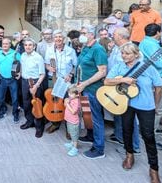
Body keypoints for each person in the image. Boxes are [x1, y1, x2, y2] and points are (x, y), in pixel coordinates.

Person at [104, 43, 162, 183]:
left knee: (148, 136)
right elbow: (106, 81)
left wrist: (155, 105)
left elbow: (159, 88)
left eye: (127, 53)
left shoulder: (148, 67)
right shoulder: (119, 66)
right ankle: (129, 155)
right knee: (127, 131)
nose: (124, 56)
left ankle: (154, 169)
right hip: (126, 104)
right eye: (123, 53)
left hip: (146, 106)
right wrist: (124, 80)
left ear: (136, 55)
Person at [106, 28, 141, 154]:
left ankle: (135, 146)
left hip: (126, 87)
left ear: (120, 36)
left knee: (130, 118)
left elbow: (128, 71)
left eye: (114, 34)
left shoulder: (129, 49)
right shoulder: (116, 47)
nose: (112, 36)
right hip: (115, 85)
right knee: (118, 112)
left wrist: (120, 80)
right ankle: (119, 136)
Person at [76, 25, 107, 159]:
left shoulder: (98, 49)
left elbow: (102, 71)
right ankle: (90, 136)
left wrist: (85, 83)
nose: (81, 35)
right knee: (87, 116)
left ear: (91, 35)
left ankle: (99, 148)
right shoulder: (85, 47)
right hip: (83, 87)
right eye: (81, 32)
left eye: (84, 33)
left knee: (96, 118)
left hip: (93, 89)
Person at [139, 24, 162, 151]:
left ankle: (147, 133)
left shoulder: (145, 42)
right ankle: (149, 137)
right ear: (158, 32)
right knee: (158, 109)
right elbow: (159, 62)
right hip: (159, 79)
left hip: (153, 78)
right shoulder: (151, 44)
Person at [44, 30, 77, 134]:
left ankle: (69, 128)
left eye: (60, 37)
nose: (58, 39)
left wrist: (70, 74)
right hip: (54, 80)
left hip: (66, 81)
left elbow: (75, 65)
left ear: (64, 39)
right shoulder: (49, 49)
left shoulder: (70, 50)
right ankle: (55, 123)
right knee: (54, 102)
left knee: (68, 103)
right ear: (53, 38)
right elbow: (46, 64)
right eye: (56, 37)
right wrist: (49, 68)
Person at [19, 38, 46, 138]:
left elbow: (42, 74)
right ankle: (29, 121)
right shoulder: (23, 55)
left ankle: (39, 127)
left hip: (35, 82)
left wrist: (36, 86)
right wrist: (20, 74)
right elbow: (22, 66)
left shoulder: (38, 57)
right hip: (25, 81)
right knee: (26, 104)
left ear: (34, 46)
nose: (28, 47)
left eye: (30, 45)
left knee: (37, 105)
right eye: (26, 45)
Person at [0, 38, 21, 123]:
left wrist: (20, 73)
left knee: (15, 98)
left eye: (7, 44)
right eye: (3, 44)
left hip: (13, 79)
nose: (5, 45)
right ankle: (3, 110)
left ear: (10, 44)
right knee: (1, 98)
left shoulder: (15, 53)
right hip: (2, 79)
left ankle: (15, 113)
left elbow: (21, 64)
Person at [63, 84, 80, 157]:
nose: (69, 95)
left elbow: (73, 111)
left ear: (77, 94)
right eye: (68, 93)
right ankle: (72, 143)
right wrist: (66, 101)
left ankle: (75, 148)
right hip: (69, 120)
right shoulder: (71, 98)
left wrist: (67, 104)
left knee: (74, 135)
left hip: (74, 121)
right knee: (70, 132)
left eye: (71, 94)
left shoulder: (76, 101)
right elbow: (65, 105)